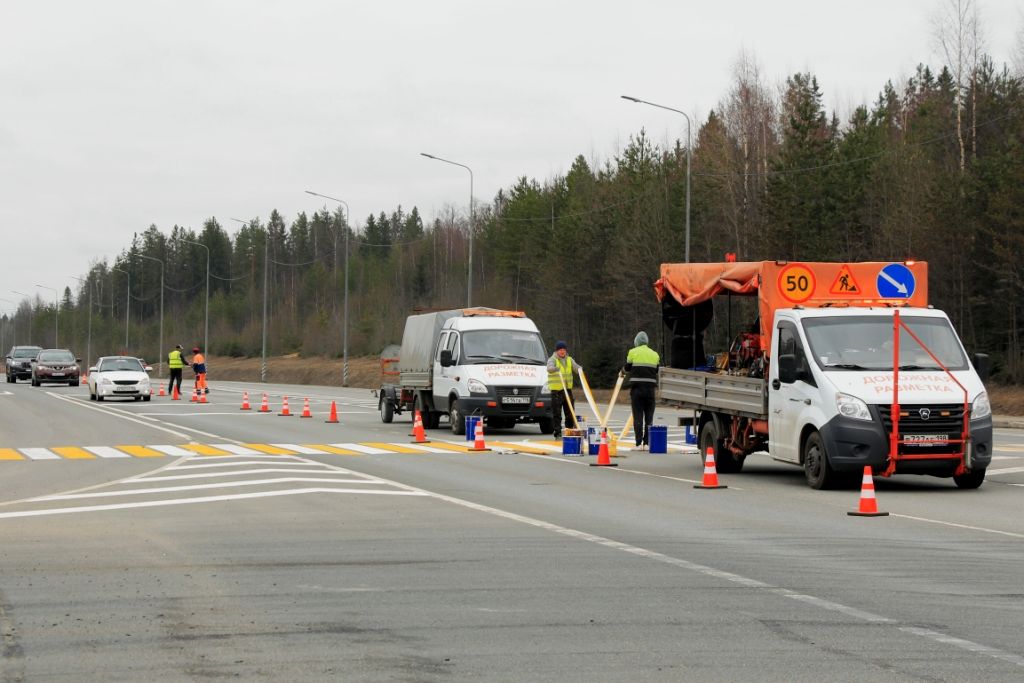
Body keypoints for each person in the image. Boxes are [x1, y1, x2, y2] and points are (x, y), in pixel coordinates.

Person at [624, 330, 660, 449]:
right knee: (649, 417)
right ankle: (647, 443)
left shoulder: (632, 352)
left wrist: (622, 372)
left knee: (638, 416)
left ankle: (638, 443)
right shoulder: (655, 354)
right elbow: (656, 370)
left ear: (637, 342)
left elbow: (627, 368)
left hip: (637, 390)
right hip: (650, 391)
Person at [546, 340, 583, 439]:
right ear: (557, 351)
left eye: (564, 350)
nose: (562, 351)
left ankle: (569, 431)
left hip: (567, 390)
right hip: (556, 391)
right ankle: (557, 433)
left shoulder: (569, 360)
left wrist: (580, 370)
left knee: (570, 412)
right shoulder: (552, 359)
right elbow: (549, 368)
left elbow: (576, 368)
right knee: (557, 414)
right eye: (560, 350)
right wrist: (555, 369)